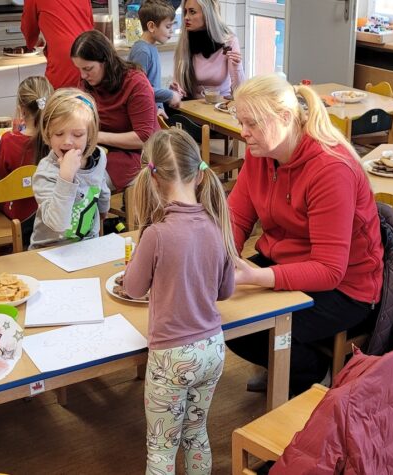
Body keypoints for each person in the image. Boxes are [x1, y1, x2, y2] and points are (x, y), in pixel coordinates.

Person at [225, 74, 384, 396]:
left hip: (346, 289)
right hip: (288, 263)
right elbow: (237, 217)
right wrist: (221, 254)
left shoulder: (330, 168)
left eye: (252, 123)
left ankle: (313, 375)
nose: (243, 133)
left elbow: (329, 270)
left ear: (285, 117)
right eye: (241, 122)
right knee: (228, 314)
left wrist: (255, 276)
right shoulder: (260, 153)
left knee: (247, 327)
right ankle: (285, 364)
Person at [124, 128, 236, 475]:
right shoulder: (217, 225)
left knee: (161, 449)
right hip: (212, 349)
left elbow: (132, 288)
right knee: (196, 434)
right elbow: (225, 291)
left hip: (172, 357)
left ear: (153, 179)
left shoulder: (156, 234)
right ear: (199, 175)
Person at [71, 30, 160, 190]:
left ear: (106, 61)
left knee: (82, 186)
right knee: (58, 174)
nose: (83, 75)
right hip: (102, 149)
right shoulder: (88, 83)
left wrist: (97, 136)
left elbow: (144, 138)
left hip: (138, 155)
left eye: (88, 68)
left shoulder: (135, 83)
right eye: (79, 69)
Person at [29, 88, 111, 249]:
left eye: (78, 135)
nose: (67, 141)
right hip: (50, 249)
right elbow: (57, 224)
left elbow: (101, 186)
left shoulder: (99, 156)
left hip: (87, 244)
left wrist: (103, 209)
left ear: (90, 134)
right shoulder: (45, 172)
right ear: (48, 134)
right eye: (59, 134)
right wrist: (66, 177)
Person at [0, 76, 54, 248]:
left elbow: (2, 173)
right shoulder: (58, 138)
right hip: (51, 208)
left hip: (19, 213)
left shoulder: (8, 140)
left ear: (21, 109)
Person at [172, 0, 244, 100]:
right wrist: (175, 92)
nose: (186, 17)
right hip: (192, 105)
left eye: (192, 12)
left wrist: (237, 67)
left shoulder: (229, 41)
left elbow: (239, 92)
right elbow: (178, 87)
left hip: (220, 105)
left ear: (208, 14)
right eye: (185, 12)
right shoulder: (184, 42)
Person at [21, 0, 93, 89]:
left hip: (64, 61)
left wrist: (33, 42)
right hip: (91, 56)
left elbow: (28, 30)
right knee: (89, 96)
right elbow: (90, 24)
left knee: (58, 96)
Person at [129, 0, 182, 113]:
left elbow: (150, 85)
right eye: (168, 26)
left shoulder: (151, 47)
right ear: (151, 26)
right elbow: (138, 89)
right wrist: (170, 95)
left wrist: (167, 91)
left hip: (154, 111)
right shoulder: (142, 52)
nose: (171, 31)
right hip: (144, 113)